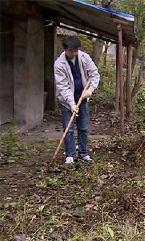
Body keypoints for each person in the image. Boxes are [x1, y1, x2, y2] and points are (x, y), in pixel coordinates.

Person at [54, 36, 100, 165]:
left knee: (84, 127)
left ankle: (84, 153)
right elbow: (63, 86)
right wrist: (71, 103)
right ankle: (70, 155)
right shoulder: (59, 64)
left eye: (75, 50)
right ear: (65, 50)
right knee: (68, 128)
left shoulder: (84, 57)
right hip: (66, 101)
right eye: (71, 50)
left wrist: (90, 90)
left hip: (83, 97)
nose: (73, 53)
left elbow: (94, 74)